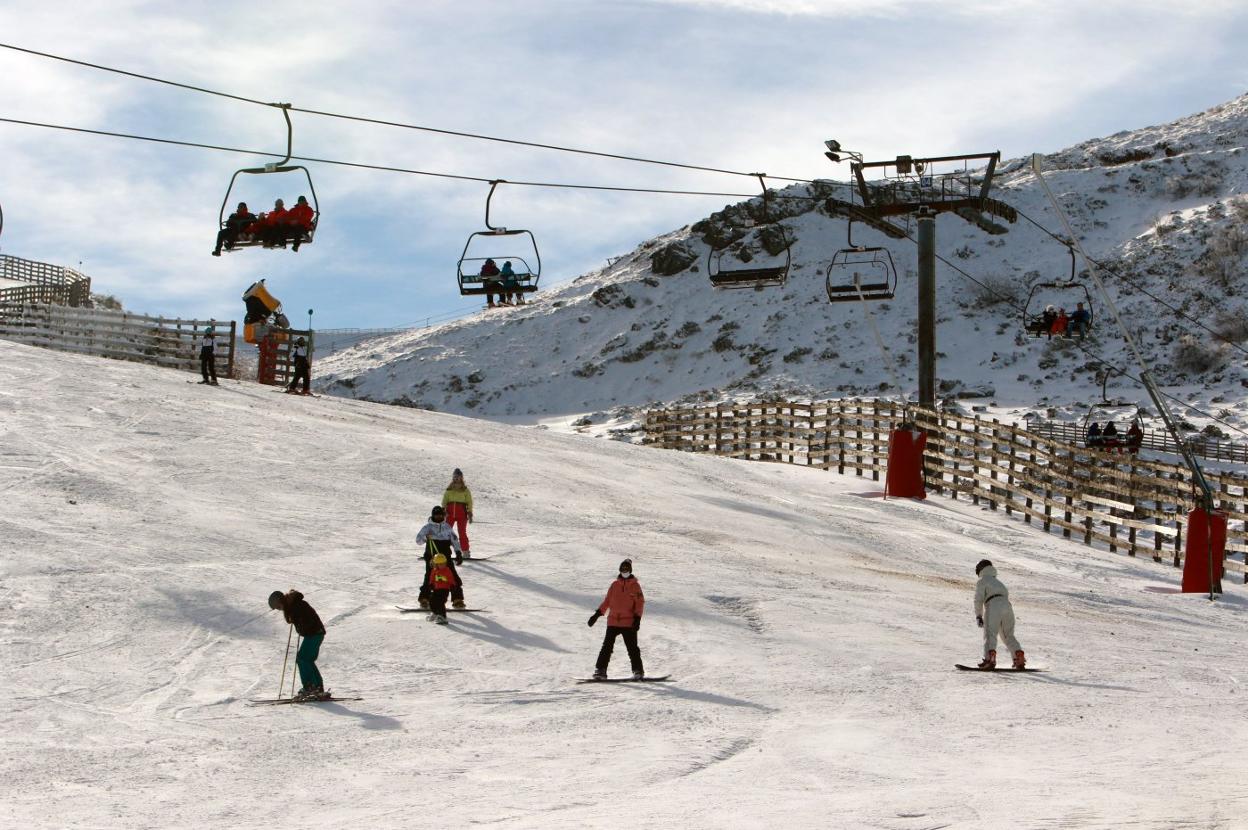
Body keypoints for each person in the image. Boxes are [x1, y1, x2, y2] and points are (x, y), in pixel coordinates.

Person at [588, 558, 645, 680]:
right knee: (606, 647)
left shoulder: (635, 586)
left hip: (629, 622)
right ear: (619, 570)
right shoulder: (614, 585)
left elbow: (640, 603)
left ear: (630, 570)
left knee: (632, 648)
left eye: (627, 569)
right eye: (623, 569)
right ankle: (600, 671)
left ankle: (638, 671)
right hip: (613, 621)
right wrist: (597, 614)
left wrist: (637, 618)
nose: (625, 571)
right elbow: (607, 601)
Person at [268, 588, 329, 700]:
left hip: (314, 634)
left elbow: (307, 619)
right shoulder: (293, 605)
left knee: (302, 659)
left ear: (280, 601)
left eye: (278, 607)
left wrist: (301, 626)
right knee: (307, 659)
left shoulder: (296, 605)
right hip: (315, 634)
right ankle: (317, 687)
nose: (279, 609)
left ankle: (310, 687)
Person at [973, 559, 1024, 670]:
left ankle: (989, 659)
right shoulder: (999, 583)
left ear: (981, 569)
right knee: (1008, 635)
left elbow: (978, 599)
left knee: (990, 633)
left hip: (993, 605)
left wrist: (978, 615)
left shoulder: (982, 580)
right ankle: (1018, 657)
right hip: (1007, 606)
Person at [416, 505, 466, 610]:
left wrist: (458, 553)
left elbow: (454, 540)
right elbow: (418, 540)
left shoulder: (447, 527)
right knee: (430, 576)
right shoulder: (427, 527)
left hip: (445, 556)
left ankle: (457, 599)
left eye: (440, 515)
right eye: (436, 515)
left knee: (452, 576)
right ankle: (424, 598)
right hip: (431, 556)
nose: (438, 517)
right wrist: (426, 537)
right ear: (433, 515)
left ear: (443, 516)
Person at [441, 468, 474, 557]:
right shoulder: (449, 489)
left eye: (458, 477)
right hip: (450, 514)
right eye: (454, 477)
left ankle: (466, 552)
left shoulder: (465, 490)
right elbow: (444, 501)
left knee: (462, 532)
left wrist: (470, 513)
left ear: (461, 478)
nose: (456, 478)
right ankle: (443, 552)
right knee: (446, 532)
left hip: (462, 514)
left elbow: (469, 502)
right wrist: (443, 510)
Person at [427, 552, 460, 625]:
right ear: (436, 564)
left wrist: (452, 585)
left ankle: (442, 617)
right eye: (440, 564)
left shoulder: (447, 571)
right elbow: (431, 578)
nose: (443, 565)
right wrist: (431, 584)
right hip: (436, 589)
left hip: (444, 590)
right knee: (432, 601)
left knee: (440, 603)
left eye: (444, 563)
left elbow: (451, 579)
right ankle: (435, 613)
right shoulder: (434, 571)